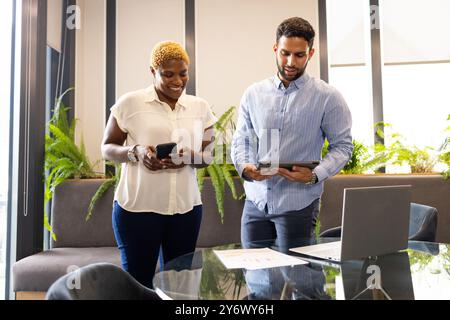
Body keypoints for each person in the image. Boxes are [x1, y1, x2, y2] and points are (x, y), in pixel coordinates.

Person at [101, 41, 217, 288]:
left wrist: (188, 157)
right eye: (168, 74)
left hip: (186, 210)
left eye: (183, 73)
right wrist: (136, 152)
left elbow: (208, 156)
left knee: (180, 287)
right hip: (137, 210)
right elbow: (107, 148)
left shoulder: (201, 108)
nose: (177, 80)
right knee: (138, 286)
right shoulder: (130, 103)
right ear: (152, 71)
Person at [231, 17, 353, 250]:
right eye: (285, 53)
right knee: (256, 277)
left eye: (299, 55)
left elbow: (343, 146)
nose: (290, 62)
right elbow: (242, 139)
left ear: (311, 53)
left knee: (299, 279)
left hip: (299, 205)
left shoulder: (328, 97)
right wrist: (245, 167)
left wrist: (314, 175)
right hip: (256, 203)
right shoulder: (253, 94)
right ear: (275, 48)